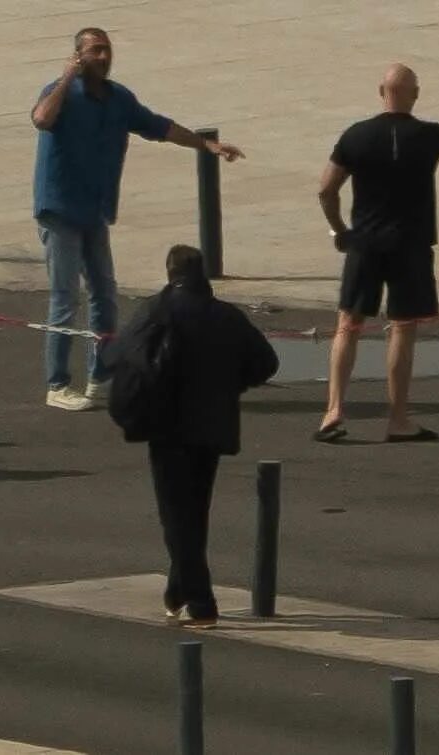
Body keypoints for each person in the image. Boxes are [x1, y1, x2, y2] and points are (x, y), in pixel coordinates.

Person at [29, 27, 245, 412]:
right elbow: (42, 119)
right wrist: (66, 76)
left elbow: (160, 127)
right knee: (64, 298)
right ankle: (57, 384)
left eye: (107, 50)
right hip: (59, 209)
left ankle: (101, 376)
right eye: (95, 50)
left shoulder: (119, 99)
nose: (103, 56)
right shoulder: (61, 93)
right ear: (78, 56)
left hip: (95, 211)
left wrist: (206, 144)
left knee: (105, 295)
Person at [313, 64, 439, 443]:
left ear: (380, 91)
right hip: (411, 244)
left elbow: (326, 189)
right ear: (415, 95)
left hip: (365, 244)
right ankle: (398, 419)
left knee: (347, 325)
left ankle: (333, 410)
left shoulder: (355, 136)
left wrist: (341, 231)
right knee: (402, 329)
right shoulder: (426, 135)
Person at [109, 245, 278, 630]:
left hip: (168, 429)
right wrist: (231, 383)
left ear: (170, 273)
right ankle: (177, 591)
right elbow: (265, 362)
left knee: (176, 517)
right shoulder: (225, 315)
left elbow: (118, 355)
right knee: (194, 514)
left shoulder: (156, 311)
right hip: (213, 428)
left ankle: (201, 602)